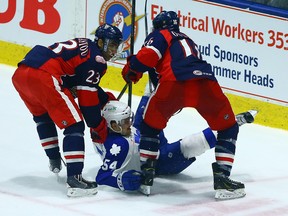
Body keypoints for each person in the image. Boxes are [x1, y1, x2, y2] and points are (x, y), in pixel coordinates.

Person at [121, 10, 248, 199]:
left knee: (149, 126)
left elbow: (148, 56)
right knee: (228, 128)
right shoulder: (188, 40)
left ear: (159, 26)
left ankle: (146, 176)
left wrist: (132, 68)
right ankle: (223, 180)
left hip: (174, 83)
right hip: (205, 83)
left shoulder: (160, 34)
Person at [12, 23, 123, 197]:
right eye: (113, 44)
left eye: (118, 45)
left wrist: (103, 98)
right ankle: (75, 179)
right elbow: (86, 103)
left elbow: (80, 81)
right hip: (45, 75)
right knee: (75, 125)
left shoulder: (86, 47)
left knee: (43, 117)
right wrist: (98, 126)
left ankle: (54, 160)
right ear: (101, 42)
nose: (115, 50)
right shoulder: (97, 60)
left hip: (21, 74)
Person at [94, 91, 256, 197]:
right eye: (124, 121)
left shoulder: (124, 129)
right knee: (190, 144)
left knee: (150, 102)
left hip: (150, 143)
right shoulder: (117, 147)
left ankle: (232, 123)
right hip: (158, 163)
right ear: (113, 125)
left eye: (129, 119)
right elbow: (102, 176)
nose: (128, 123)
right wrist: (121, 180)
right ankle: (232, 124)